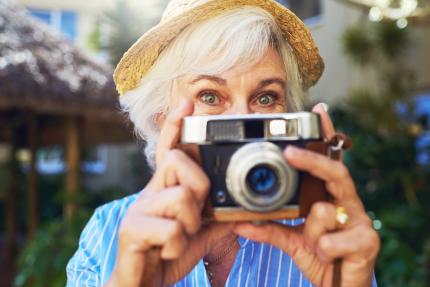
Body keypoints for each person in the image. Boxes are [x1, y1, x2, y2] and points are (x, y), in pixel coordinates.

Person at [66, 0, 380, 286]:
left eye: (266, 97)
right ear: (163, 116)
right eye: (210, 96)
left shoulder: (323, 237)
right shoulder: (108, 233)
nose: (245, 123)